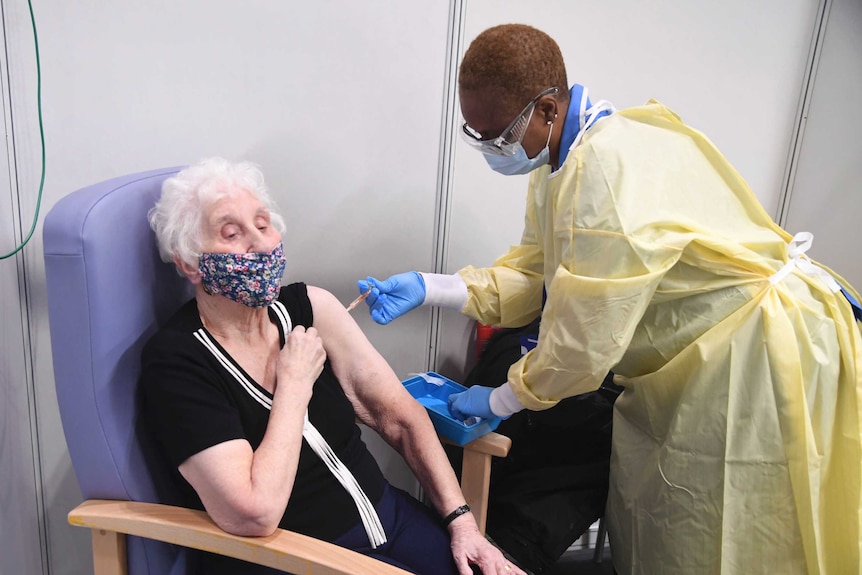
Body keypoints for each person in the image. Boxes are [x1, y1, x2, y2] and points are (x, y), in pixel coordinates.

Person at [358, 23, 862, 575]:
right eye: (474, 135)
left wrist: (497, 400)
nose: (490, 151)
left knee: (741, 538)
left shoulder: (602, 176)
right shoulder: (564, 163)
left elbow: (579, 350)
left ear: (547, 109)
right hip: (705, 354)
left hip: (753, 357)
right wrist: (433, 288)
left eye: (498, 137)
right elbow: (537, 278)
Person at [140, 157, 525, 575]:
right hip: (295, 556)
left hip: (389, 520)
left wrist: (463, 524)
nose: (260, 244)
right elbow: (253, 513)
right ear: (189, 263)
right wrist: (294, 384)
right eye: (231, 233)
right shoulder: (177, 362)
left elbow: (400, 418)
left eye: (264, 224)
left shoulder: (311, 307)